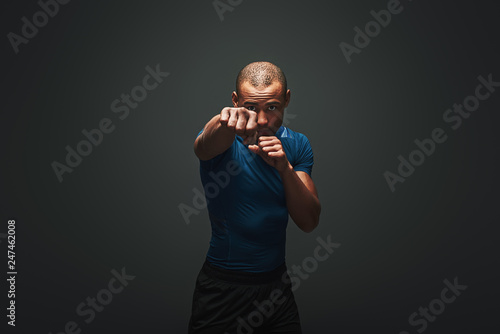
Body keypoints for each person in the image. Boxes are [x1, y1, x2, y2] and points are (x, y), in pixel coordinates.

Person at [188, 61, 321, 334]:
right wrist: (223, 120)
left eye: (272, 107)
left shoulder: (297, 145)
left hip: (277, 289)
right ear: (235, 101)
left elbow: (308, 221)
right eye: (250, 107)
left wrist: (285, 168)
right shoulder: (224, 140)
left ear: (286, 99)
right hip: (223, 290)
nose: (262, 120)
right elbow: (203, 147)